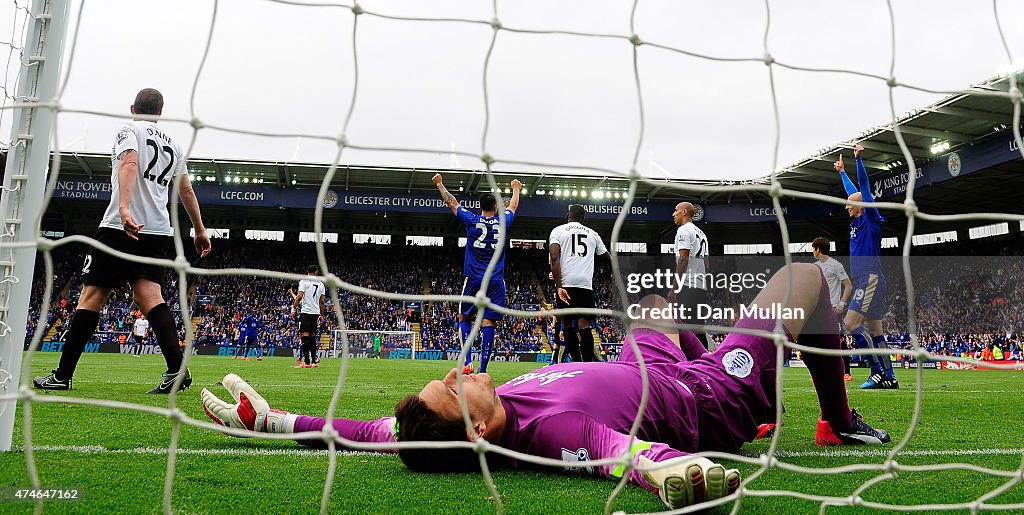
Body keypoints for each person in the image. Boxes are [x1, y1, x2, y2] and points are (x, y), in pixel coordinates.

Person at [202, 263, 891, 510]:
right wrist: (677, 470)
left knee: (652, 310)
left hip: (647, 362)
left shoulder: (426, 429)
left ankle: (749, 360)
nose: (452, 372)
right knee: (801, 280)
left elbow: (353, 432)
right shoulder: (547, 434)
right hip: (701, 396)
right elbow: (618, 450)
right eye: (452, 389)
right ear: (477, 430)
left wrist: (267, 418)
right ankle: (835, 415)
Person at [33, 88, 211, 394]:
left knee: (91, 297)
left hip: (120, 225)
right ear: (161, 111)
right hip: (157, 231)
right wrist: (200, 229)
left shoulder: (128, 130)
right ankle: (177, 370)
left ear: (133, 107)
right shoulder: (175, 145)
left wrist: (125, 208)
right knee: (150, 297)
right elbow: (186, 191)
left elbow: (129, 163)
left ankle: (62, 376)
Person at [432, 173, 521, 374]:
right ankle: (483, 370)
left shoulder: (472, 220)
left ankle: (467, 363)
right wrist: (516, 188)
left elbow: (452, 203)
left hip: (473, 278)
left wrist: (440, 184)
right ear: (496, 207)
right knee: (489, 322)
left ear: (480, 207)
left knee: (464, 318)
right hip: (496, 280)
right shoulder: (503, 221)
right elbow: (513, 206)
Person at [834, 144, 898, 389]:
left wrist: (858, 161)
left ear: (862, 207)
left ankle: (875, 372)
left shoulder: (869, 218)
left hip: (868, 278)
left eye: (850, 204)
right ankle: (890, 377)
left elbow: (863, 190)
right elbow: (854, 194)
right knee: (876, 331)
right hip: (870, 279)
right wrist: (842, 173)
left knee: (850, 324)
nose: (846, 206)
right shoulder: (856, 217)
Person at [549, 205, 608, 362]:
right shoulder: (593, 234)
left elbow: (554, 258)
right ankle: (588, 364)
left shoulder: (558, 231)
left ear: (568, 215)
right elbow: (607, 258)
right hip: (584, 285)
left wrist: (558, 285)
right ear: (583, 219)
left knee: (567, 324)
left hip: (566, 283)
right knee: (584, 325)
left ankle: (575, 362)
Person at [811, 237, 854, 381]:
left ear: (818, 249)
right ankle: (820, 373)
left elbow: (848, 285)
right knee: (819, 341)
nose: (812, 251)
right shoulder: (815, 266)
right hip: (818, 311)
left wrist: (841, 304)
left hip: (833, 309)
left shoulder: (835, 265)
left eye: (813, 248)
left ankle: (846, 373)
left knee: (839, 340)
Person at [670, 201, 711, 349]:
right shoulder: (702, 234)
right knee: (698, 329)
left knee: (687, 331)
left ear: (684, 212)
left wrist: (674, 288)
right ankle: (704, 364)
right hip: (700, 287)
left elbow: (683, 260)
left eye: (676, 210)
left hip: (688, 287)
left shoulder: (683, 230)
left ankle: (691, 364)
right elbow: (707, 263)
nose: (673, 214)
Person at [288, 265, 326, 368]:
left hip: (306, 312)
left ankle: (307, 362)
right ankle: (314, 362)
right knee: (312, 336)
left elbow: (299, 296)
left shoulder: (304, 281)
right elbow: (322, 302)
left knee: (304, 336)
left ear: (307, 271)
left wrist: (293, 309)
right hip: (315, 312)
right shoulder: (321, 284)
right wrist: (322, 315)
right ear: (316, 272)